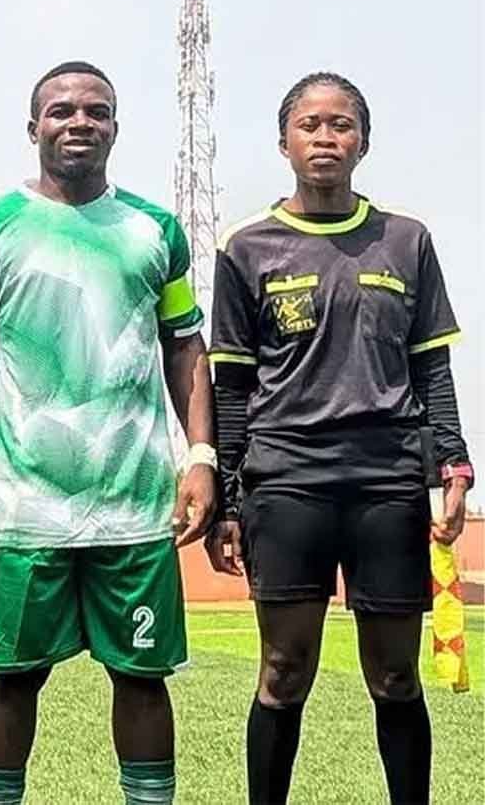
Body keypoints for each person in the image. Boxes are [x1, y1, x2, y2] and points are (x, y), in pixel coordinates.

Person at [0, 61, 217, 805]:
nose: (79, 122)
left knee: (143, 677)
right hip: (25, 505)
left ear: (116, 128)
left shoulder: (156, 231)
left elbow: (184, 346)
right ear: (33, 127)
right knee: (14, 677)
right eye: (61, 110)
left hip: (135, 503)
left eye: (97, 110)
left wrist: (200, 456)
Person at [205, 71, 472, 805]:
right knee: (284, 671)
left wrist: (453, 465)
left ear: (363, 141)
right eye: (310, 125)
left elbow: (432, 368)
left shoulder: (406, 240)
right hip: (287, 481)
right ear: (284, 142)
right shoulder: (245, 247)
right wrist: (228, 501)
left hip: (389, 480)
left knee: (395, 674)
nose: (326, 138)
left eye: (342, 124)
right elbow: (231, 386)